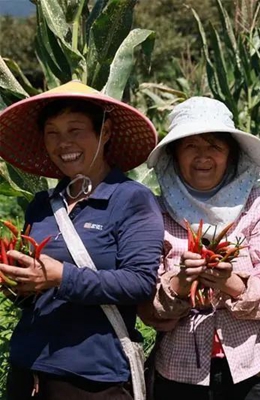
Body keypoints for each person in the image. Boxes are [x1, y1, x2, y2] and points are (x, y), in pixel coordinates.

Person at [0, 81, 164, 399]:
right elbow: (37, 293)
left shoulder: (131, 199)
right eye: (53, 133)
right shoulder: (43, 204)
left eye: (75, 130)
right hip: (28, 369)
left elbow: (140, 282)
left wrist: (60, 276)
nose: (64, 143)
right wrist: (18, 285)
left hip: (93, 378)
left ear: (105, 132)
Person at [137, 97, 260, 400]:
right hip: (179, 370)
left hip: (251, 365)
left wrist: (230, 283)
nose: (203, 156)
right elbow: (146, 304)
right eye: (191, 146)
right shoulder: (155, 211)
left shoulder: (256, 204)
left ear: (231, 154)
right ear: (174, 155)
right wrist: (180, 284)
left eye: (215, 147)